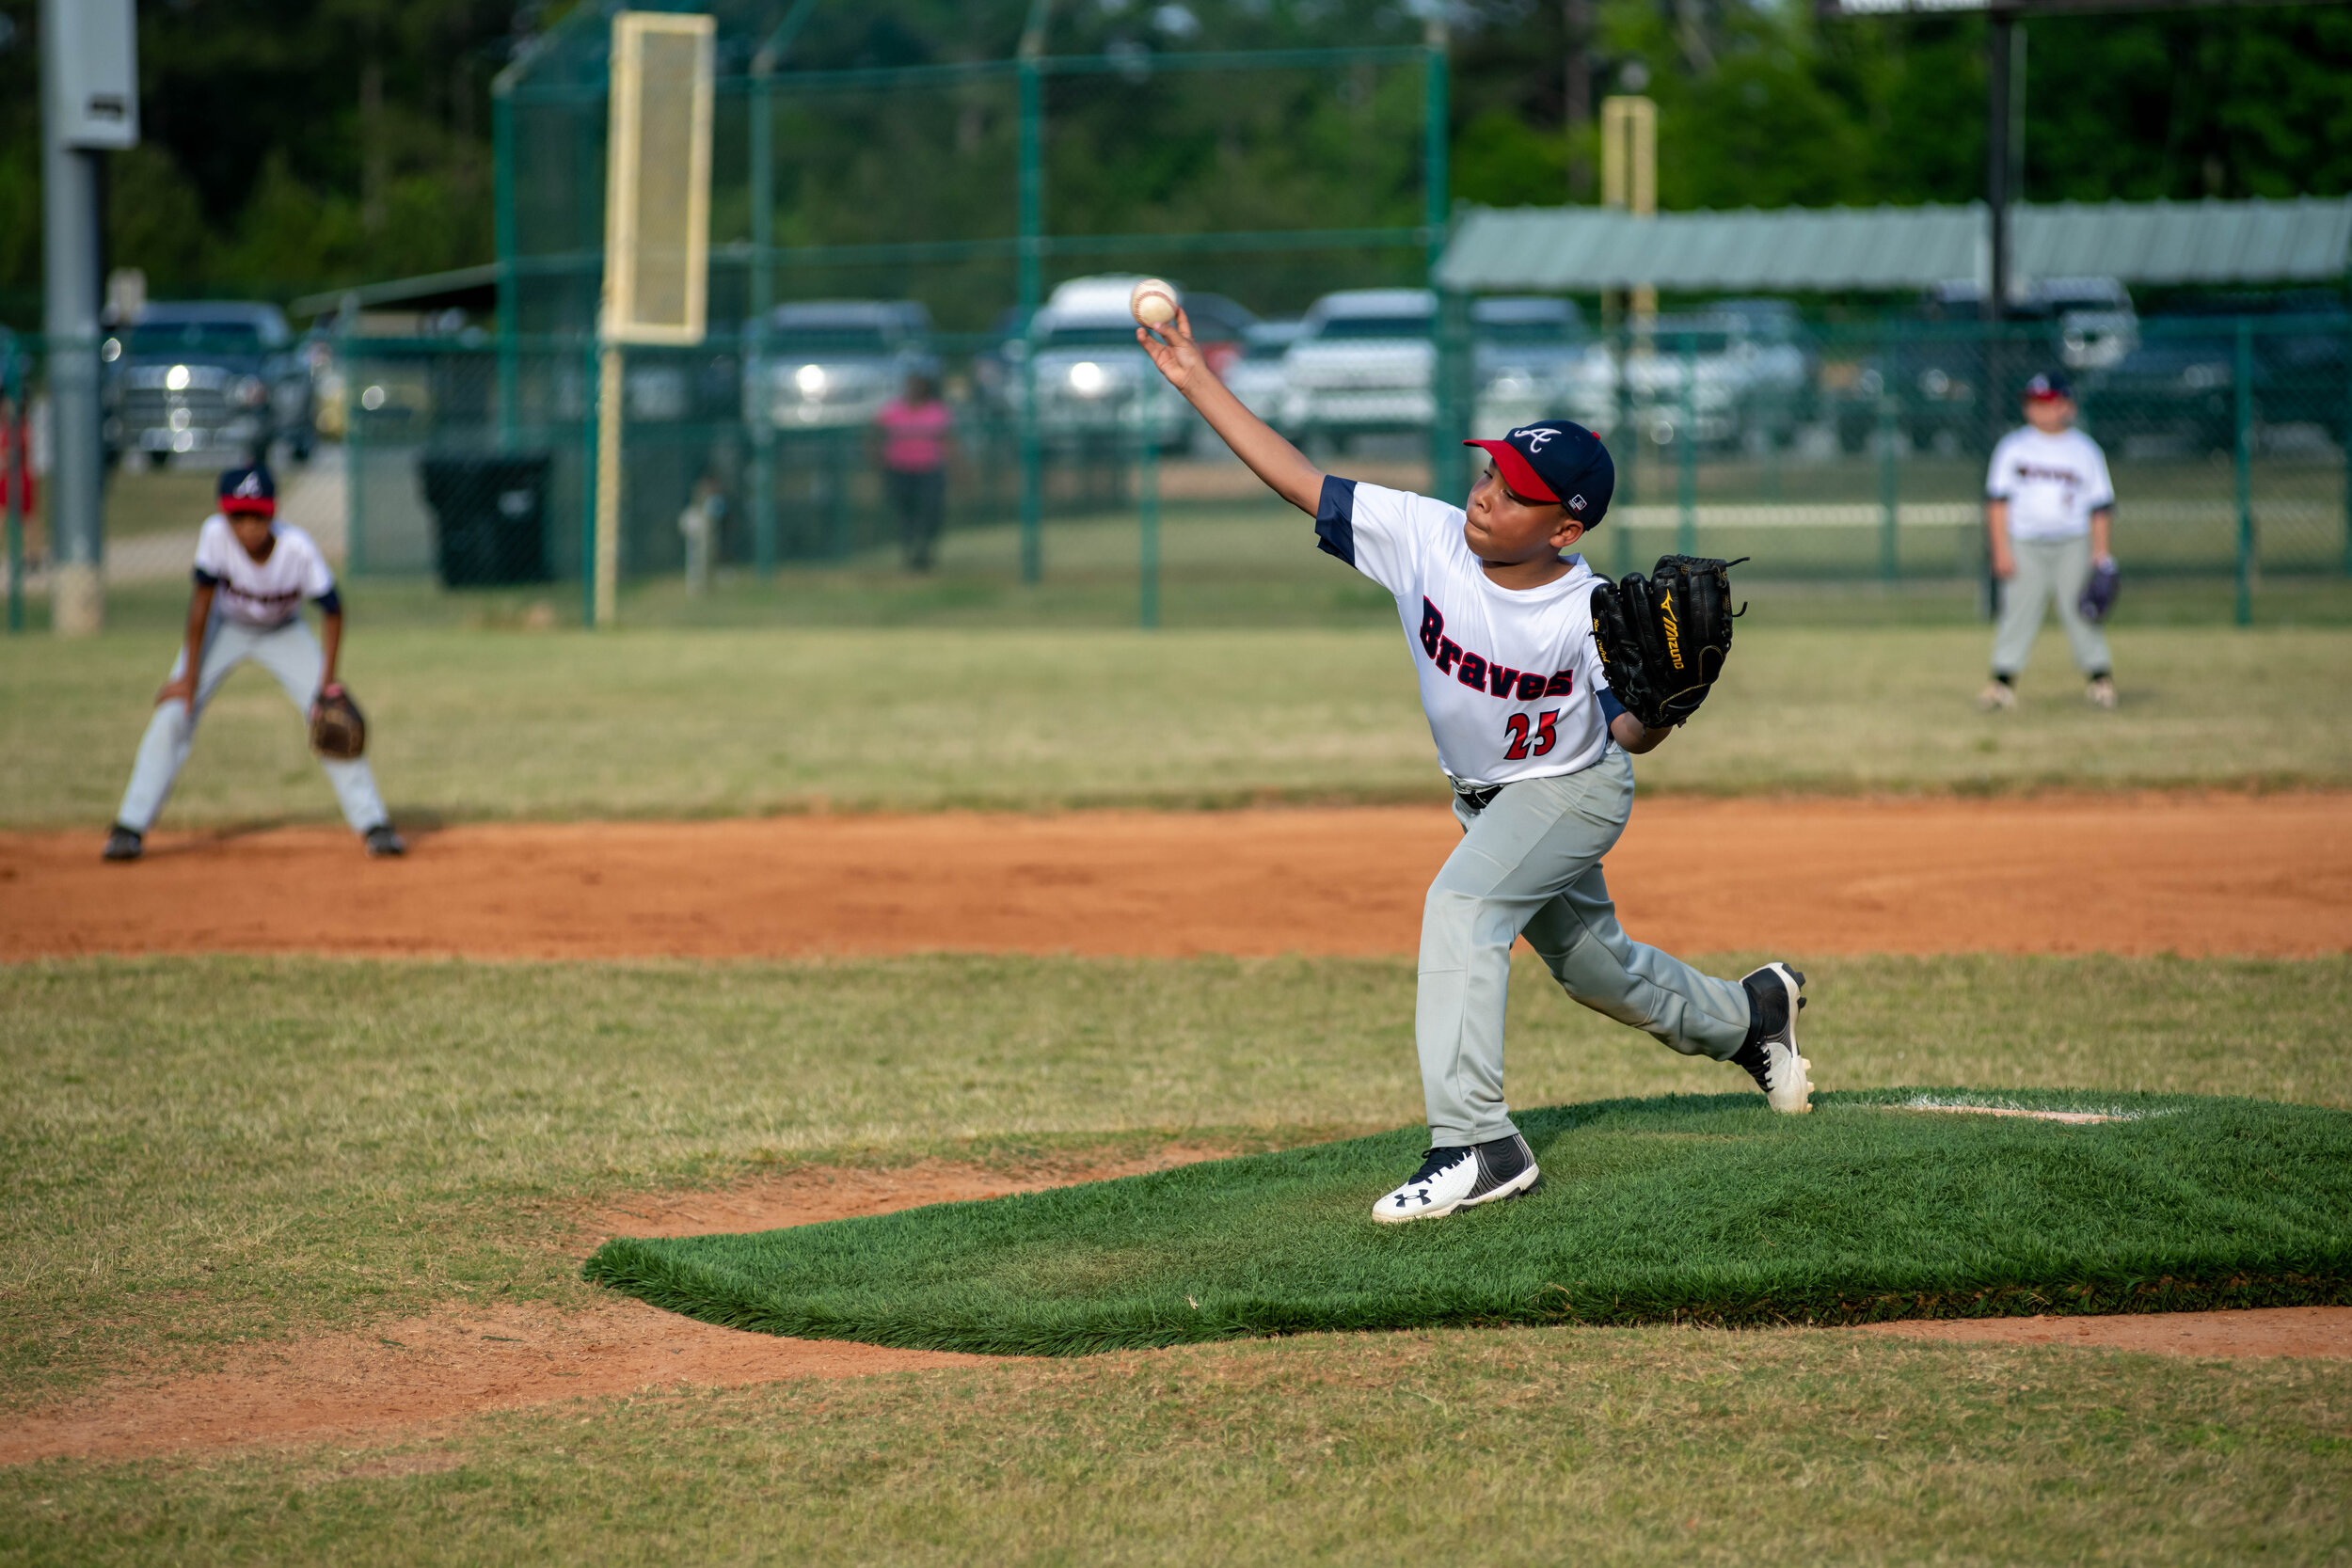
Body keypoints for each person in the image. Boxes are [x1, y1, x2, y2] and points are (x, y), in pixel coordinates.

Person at [1135, 305, 1812, 1225]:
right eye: (1491, 468)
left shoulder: (1591, 613)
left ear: (1564, 529)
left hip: (1571, 794)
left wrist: (1660, 707)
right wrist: (1194, 379)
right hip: (1486, 801)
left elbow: (1626, 739)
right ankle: (1749, 1016)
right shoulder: (1425, 535)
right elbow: (1300, 479)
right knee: (1594, 971)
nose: (1487, 492)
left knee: (1462, 907)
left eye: (1517, 487)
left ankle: (1476, 1144)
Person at [103, 466, 405, 862]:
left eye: (257, 515)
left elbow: (333, 610)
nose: (247, 526)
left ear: (273, 513)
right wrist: (188, 678)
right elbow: (200, 604)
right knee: (175, 711)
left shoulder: (298, 549)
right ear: (223, 514)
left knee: (328, 717)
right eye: (237, 516)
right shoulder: (214, 535)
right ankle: (129, 826)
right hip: (222, 628)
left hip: (284, 631)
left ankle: (374, 824)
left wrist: (326, 684)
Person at [1979, 372, 2118, 711]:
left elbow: (2100, 506)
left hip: (2073, 541)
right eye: (2034, 403)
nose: (2042, 411)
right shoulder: (2013, 447)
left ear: (2067, 407)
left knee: (2082, 610)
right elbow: (1997, 502)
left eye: (2049, 403)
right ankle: (2002, 683)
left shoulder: (2084, 450)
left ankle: (2100, 679)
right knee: (2018, 611)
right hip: (2024, 541)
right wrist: (2000, 550)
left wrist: (2101, 555)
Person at [873, 372, 951, 571]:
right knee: (906, 513)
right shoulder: (893, 410)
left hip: (929, 470)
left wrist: (959, 468)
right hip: (899, 469)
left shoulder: (936, 411)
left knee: (931, 510)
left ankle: (924, 549)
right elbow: (875, 435)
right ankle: (909, 552)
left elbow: (948, 440)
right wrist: (877, 459)